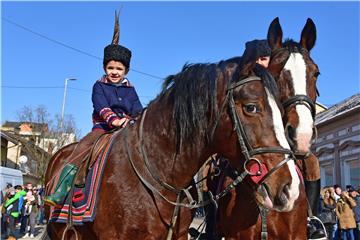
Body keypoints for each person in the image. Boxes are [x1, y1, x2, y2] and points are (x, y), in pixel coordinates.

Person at [44, 12, 143, 208]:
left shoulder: (131, 89)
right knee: (82, 148)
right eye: (111, 67)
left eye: (119, 69)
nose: (114, 72)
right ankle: (60, 190)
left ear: (126, 71)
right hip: (102, 128)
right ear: (105, 67)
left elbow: (138, 109)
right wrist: (114, 121)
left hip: (127, 129)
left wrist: (137, 120)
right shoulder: (99, 86)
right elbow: (101, 106)